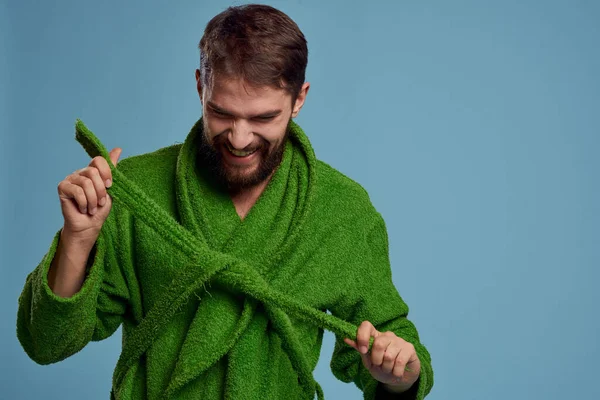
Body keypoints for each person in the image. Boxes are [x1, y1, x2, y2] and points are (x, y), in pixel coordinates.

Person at [17, 4, 433, 399]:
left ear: (299, 99)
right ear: (201, 85)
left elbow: (391, 345)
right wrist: (78, 238)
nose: (239, 138)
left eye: (263, 118)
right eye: (222, 113)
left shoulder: (341, 209)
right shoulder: (134, 190)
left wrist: (399, 371)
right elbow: (47, 343)